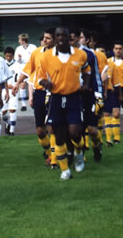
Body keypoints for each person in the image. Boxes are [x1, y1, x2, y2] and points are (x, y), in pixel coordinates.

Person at [37, 27, 90, 180]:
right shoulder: (46, 56)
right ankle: (65, 170)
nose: (61, 38)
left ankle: (79, 152)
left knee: (75, 132)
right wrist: (46, 83)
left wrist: (85, 84)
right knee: (59, 136)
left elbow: (87, 71)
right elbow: (40, 77)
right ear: (54, 38)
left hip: (74, 98)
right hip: (56, 99)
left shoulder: (80, 54)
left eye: (64, 35)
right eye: (58, 35)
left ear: (69, 37)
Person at [13, 27, 56, 167]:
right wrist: (17, 83)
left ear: (55, 40)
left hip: (55, 93)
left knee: (53, 127)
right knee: (40, 130)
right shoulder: (36, 52)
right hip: (40, 93)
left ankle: (55, 159)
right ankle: (50, 153)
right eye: (44, 37)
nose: (44, 40)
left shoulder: (60, 54)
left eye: (48, 38)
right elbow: (27, 70)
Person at [73, 29, 104, 162]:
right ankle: (80, 155)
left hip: (89, 94)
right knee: (76, 128)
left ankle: (97, 146)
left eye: (80, 37)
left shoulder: (89, 54)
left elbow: (96, 75)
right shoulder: (64, 54)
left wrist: (99, 95)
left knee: (92, 129)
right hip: (73, 96)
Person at [2, 47, 21, 136]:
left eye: (10, 56)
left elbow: (19, 78)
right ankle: (8, 123)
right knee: (3, 112)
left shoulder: (17, 65)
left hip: (13, 90)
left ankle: (12, 131)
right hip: (3, 90)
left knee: (12, 110)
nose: (8, 58)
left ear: (13, 56)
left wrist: (16, 86)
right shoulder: (1, 64)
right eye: (7, 56)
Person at [14, 33, 36, 111]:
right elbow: (16, 59)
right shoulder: (18, 48)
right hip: (22, 69)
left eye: (19, 39)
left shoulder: (33, 47)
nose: (19, 41)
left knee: (32, 86)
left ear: (23, 40)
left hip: (31, 68)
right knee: (22, 85)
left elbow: (35, 57)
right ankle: (23, 105)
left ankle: (32, 101)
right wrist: (19, 58)